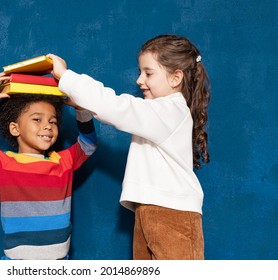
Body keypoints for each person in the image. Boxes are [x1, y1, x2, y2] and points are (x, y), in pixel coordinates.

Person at [47, 34, 210, 260]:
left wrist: (66, 77)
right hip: (150, 211)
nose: (139, 80)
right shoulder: (158, 112)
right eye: (140, 72)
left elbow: (116, 107)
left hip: (173, 214)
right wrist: (82, 104)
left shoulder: (171, 111)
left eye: (148, 73)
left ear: (175, 78)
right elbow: (114, 108)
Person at [0, 72, 97, 260]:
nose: (47, 126)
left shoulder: (63, 162)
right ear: (15, 128)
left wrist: (81, 110)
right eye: (37, 119)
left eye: (52, 121)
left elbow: (88, 144)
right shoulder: (2, 164)